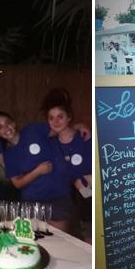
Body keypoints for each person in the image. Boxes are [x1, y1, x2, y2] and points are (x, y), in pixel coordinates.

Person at [0, 112, 73, 233]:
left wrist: (79, 126)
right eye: (0, 127)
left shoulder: (34, 130)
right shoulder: (9, 154)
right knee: (35, 244)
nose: (6, 128)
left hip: (58, 196)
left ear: (13, 123)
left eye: (8, 123)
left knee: (59, 241)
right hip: (32, 202)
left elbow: (60, 130)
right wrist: (38, 171)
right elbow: (17, 183)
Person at [42, 89, 92, 243]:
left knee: (90, 238)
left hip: (89, 197)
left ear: (69, 117)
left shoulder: (84, 138)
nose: (56, 122)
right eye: (51, 118)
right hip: (65, 198)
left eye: (60, 117)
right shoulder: (50, 143)